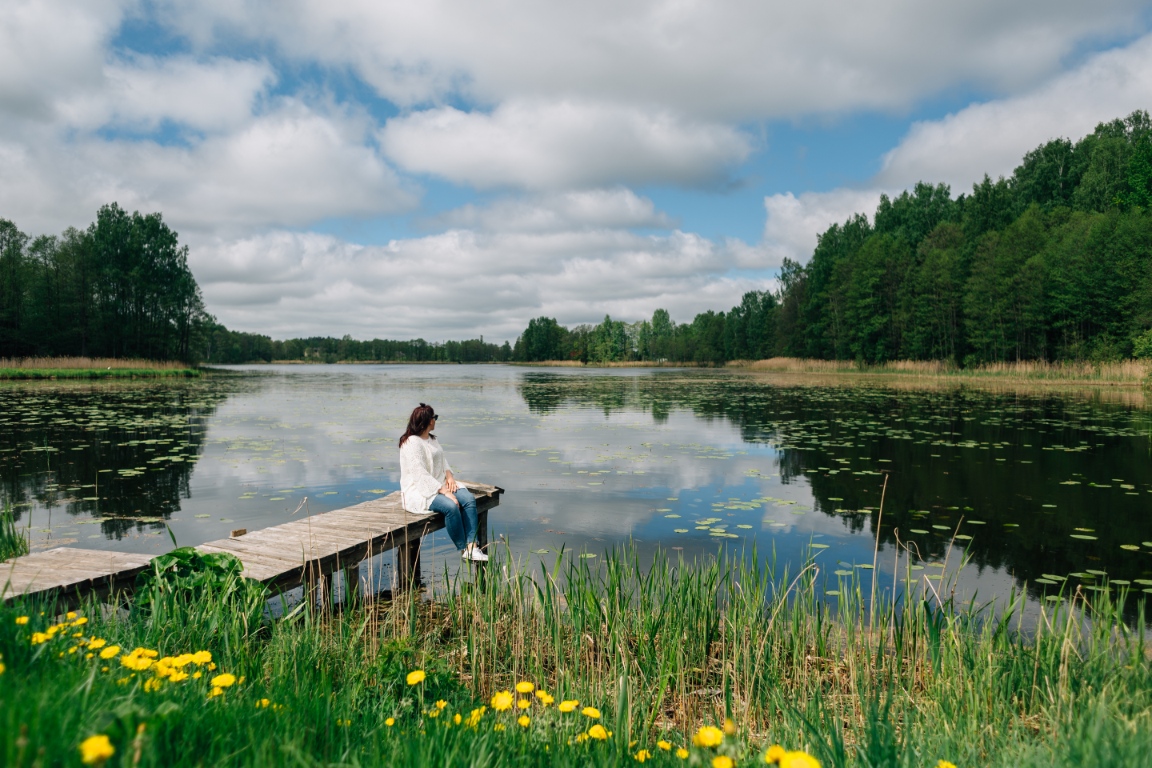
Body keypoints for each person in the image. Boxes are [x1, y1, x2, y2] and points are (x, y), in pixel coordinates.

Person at [398, 403, 487, 562]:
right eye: (434, 417)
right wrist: (445, 492)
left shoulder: (432, 439)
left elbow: (443, 461)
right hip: (420, 489)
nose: (436, 421)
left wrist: (450, 478)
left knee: (468, 499)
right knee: (451, 507)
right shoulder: (411, 443)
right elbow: (420, 474)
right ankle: (463, 547)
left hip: (440, 482)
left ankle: (472, 547)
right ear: (427, 421)